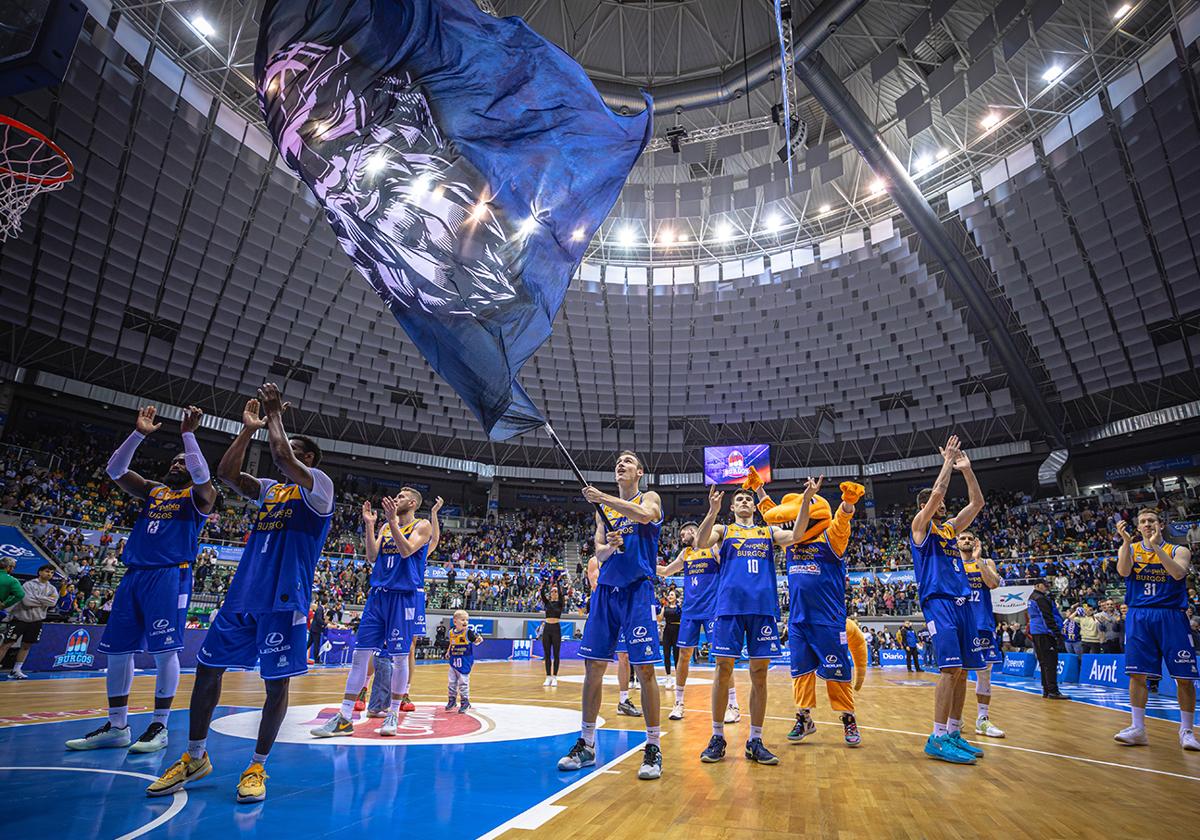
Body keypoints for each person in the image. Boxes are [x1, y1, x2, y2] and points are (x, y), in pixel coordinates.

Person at [147, 385, 334, 803]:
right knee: (208, 670)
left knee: (275, 685)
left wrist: (274, 417)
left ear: (308, 458)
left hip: (284, 599)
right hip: (242, 595)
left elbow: (284, 454)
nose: (277, 449)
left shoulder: (319, 486)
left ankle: (257, 765)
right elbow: (228, 474)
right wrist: (247, 430)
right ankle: (195, 756)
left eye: (287, 445)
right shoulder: (270, 489)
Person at [67, 405, 217, 754]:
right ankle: (117, 726)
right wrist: (138, 434)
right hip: (134, 575)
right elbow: (115, 469)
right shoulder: (153, 491)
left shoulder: (198, 498)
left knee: (165, 652)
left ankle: (159, 726)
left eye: (184, 461)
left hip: (170, 575)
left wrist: (188, 434)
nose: (178, 464)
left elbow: (202, 477)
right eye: (174, 461)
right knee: (118, 654)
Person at [558, 450, 664, 782]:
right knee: (593, 667)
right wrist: (612, 545)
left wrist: (602, 496)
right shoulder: (603, 514)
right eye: (618, 462)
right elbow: (599, 552)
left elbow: (646, 516)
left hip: (637, 590)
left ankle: (653, 746)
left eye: (628, 461)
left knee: (645, 670)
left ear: (639, 471)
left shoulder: (649, 496)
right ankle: (587, 743)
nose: (621, 464)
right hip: (606, 591)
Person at [693, 482, 811, 766]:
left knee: (760, 675)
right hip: (729, 608)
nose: (745, 501)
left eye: (748, 498)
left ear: (755, 507)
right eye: (740, 499)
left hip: (762, 608)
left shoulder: (767, 532)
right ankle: (717, 736)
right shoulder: (724, 530)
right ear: (732, 507)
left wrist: (806, 500)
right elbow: (699, 542)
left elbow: (797, 534)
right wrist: (712, 511)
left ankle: (755, 740)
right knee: (723, 670)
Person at [752, 472, 867, 747]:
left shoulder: (830, 538)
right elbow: (773, 514)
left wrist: (848, 502)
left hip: (829, 619)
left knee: (837, 671)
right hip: (799, 619)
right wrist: (758, 488)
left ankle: (848, 718)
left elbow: (842, 521)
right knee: (800, 673)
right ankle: (804, 717)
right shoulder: (791, 539)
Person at [311, 490, 431, 738]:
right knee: (359, 656)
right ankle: (344, 717)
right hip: (377, 596)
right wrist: (370, 525)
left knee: (399, 658)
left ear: (411, 503)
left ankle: (393, 713)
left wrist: (393, 523)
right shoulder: (386, 527)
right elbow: (372, 556)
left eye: (401, 496)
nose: (395, 498)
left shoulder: (422, 525)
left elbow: (407, 550)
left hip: (402, 596)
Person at [910, 435, 986, 765]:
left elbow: (978, 504)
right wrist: (947, 462)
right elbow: (938, 491)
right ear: (925, 508)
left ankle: (954, 731)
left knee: (963, 672)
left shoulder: (951, 529)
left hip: (962, 600)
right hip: (938, 601)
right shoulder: (919, 527)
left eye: (941, 504)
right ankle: (937, 736)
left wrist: (966, 470)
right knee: (949, 669)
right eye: (934, 503)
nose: (941, 504)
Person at [1114, 509, 1198, 750]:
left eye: (1151, 521)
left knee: (1184, 677)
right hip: (1139, 615)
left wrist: (1155, 547)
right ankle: (1138, 728)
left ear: (1161, 524)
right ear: (1137, 526)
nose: (1147, 524)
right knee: (1136, 675)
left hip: (1171, 615)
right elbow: (1123, 571)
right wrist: (1127, 543)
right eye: (1142, 522)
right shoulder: (1129, 548)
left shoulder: (1179, 550)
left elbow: (1178, 572)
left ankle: (1187, 731)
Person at [655, 522, 729, 721]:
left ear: (692, 531)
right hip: (689, 611)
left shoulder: (712, 548)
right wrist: (643, 562)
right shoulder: (685, 554)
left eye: (682, 534)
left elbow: (729, 568)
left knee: (722, 658)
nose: (681, 537)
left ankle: (732, 704)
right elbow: (665, 572)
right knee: (683, 657)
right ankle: (679, 703)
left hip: (712, 610)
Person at [396, 496, 442, 711]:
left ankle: (405, 691)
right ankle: (364, 688)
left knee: (410, 647)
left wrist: (434, 514)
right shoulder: (391, 534)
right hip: (392, 590)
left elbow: (434, 541)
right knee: (379, 647)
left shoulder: (421, 548)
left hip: (413, 594)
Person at [959, 532, 1005, 737]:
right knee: (956, 674)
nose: (967, 541)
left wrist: (978, 561)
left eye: (970, 538)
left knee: (984, 675)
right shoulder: (952, 562)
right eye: (962, 538)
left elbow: (993, 583)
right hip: (961, 624)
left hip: (983, 623)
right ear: (956, 542)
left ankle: (982, 719)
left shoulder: (986, 561)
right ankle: (955, 718)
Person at [0, 564, 58, 679]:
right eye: (47, 571)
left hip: (37, 620)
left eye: (52, 573)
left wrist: (37, 598)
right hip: (20, 619)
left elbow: (53, 603)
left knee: (26, 646)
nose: (49, 574)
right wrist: (45, 600)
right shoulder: (29, 584)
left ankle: (16, 670)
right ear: (40, 572)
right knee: (6, 644)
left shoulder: (52, 588)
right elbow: (27, 601)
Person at [1028, 580, 1067, 699]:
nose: (1047, 588)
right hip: (1044, 633)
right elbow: (1047, 617)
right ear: (1037, 585)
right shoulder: (1040, 598)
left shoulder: (1032, 597)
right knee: (1050, 662)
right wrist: (1056, 633)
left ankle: (1046, 689)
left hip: (1037, 633)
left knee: (1044, 662)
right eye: (1045, 585)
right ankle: (1053, 690)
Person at [445, 609, 483, 712]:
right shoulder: (451, 632)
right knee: (451, 682)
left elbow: (477, 642)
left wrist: (479, 639)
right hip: (454, 661)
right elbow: (452, 643)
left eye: (467, 620)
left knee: (463, 682)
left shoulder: (468, 632)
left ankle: (465, 701)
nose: (465, 622)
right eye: (462, 620)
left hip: (465, 660)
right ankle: (452, 700)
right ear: (455, 622)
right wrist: (448, 651)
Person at [540, 575, 570, 687]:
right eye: (552, 591)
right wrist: (545, 583)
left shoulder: (560, 603)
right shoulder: (547, 603)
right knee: (547, 654)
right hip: (547, 628)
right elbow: (542, 593)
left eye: (556, 591)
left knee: (556, 654)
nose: (554, 593)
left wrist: (557, 582)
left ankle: (555, 677)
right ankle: (548, 676)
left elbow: (562, 594)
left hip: (556, 629)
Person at [659, 589, 681, 689]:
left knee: (677, 656)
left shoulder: (680, 608)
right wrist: (657, 611)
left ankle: (678, 678)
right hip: (667, 631)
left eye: (672, 595)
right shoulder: (665, 607)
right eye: (669, 595)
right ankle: (668, 677)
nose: (670, 596)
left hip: (677, 631)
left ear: (676, 597)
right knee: (666, 655)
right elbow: (659, 619)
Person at [308, 599, 327, 665]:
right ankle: (317, 660)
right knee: (316, 645)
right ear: (326, 603)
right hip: (316, 629)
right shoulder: (320, 609)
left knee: (309, 643)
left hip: (313, 629)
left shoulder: (319, 608)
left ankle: (299, 655)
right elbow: (319, 619)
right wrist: (325, 624)